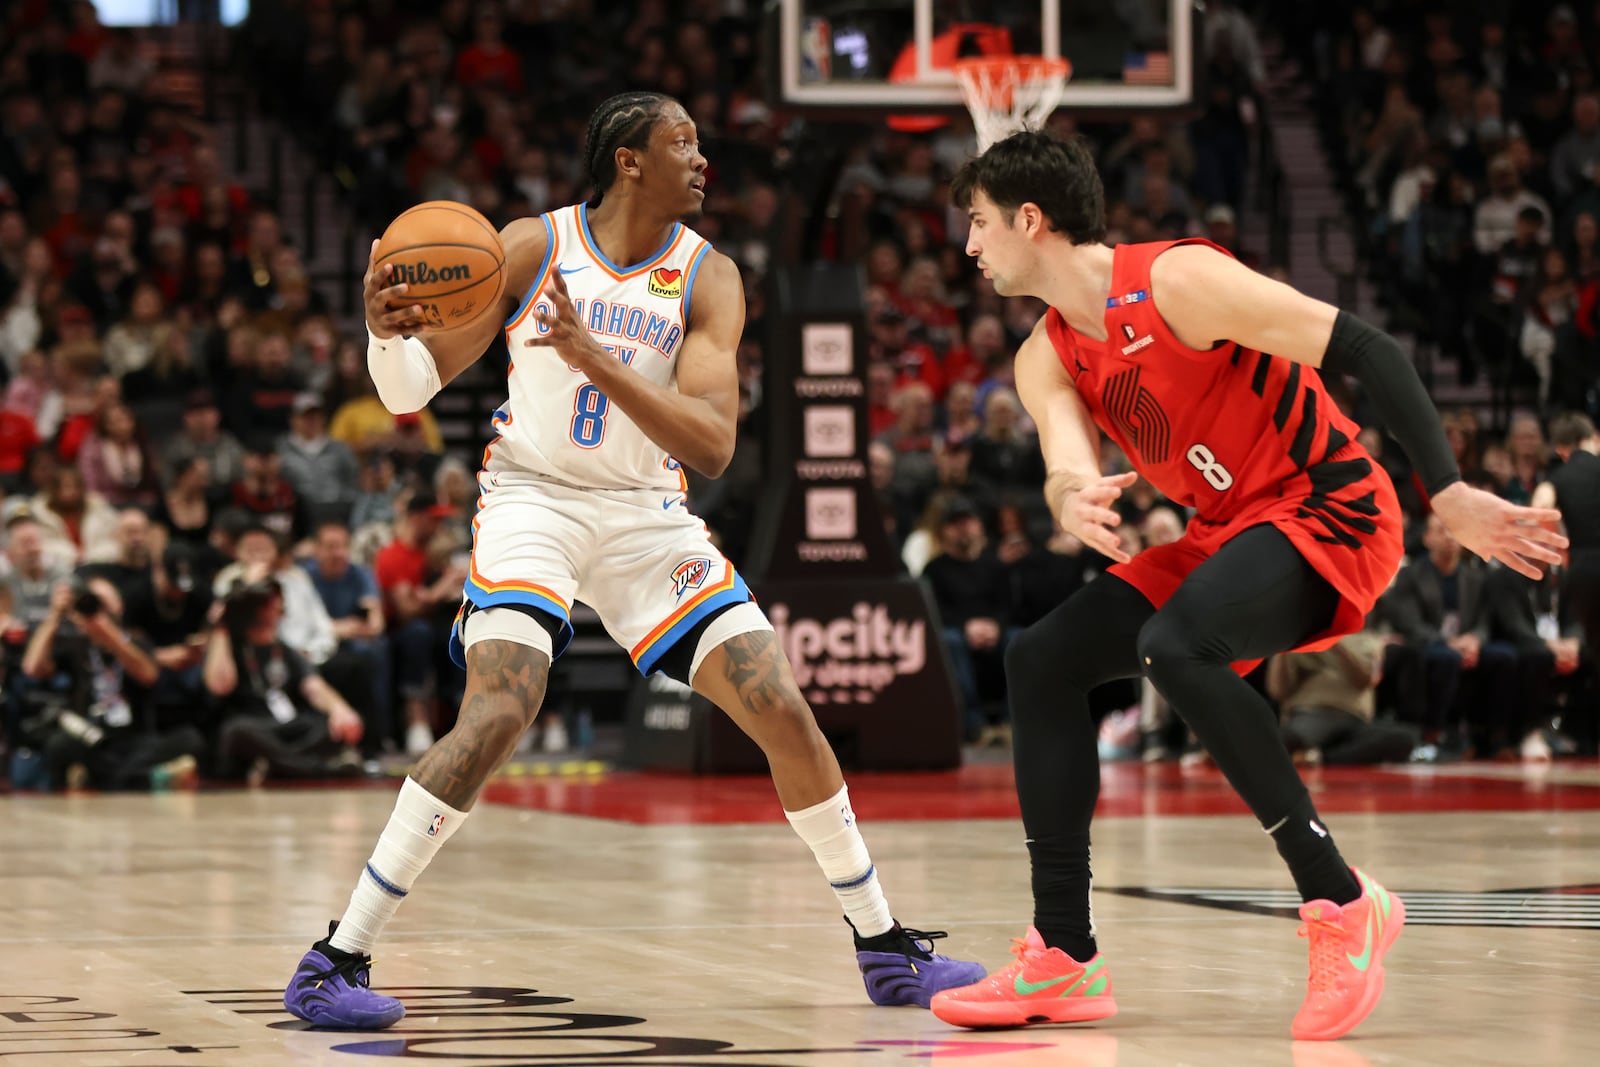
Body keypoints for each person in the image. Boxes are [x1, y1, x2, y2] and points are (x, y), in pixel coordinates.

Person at [282, 91, 984, 1029]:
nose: (703, 159)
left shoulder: (710, 277)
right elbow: (414, 390)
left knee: (782, 706)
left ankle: (883, 945)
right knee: (500, 709)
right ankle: (337, 956)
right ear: (627, 159)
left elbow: (713, 443)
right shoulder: (532, 246)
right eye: (682, 141)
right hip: (532, 495)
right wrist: (383, 331)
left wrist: (590, 354)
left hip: (648, 512)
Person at [928, 129, 1566, 1040]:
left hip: (1331, 506)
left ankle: (1341, 902)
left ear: (1032, 220)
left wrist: (1451, 491)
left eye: (981, 223)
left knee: (1174, 646)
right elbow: (1065, 456)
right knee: (1044, 659)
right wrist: (1070, 496)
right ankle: (1065, 952)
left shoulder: (1179, 281)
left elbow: (1370, 348)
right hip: (1229, 531)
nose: (971, 246)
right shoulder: (1047, 353)